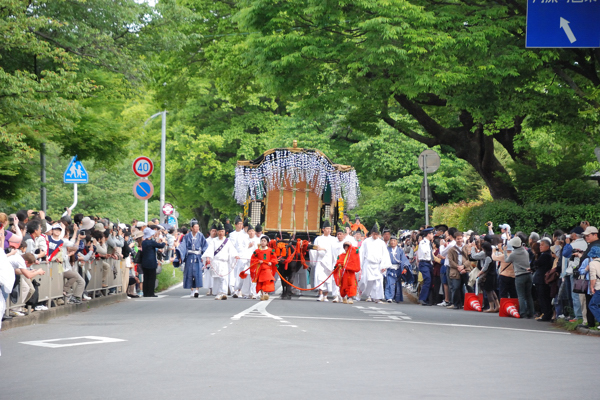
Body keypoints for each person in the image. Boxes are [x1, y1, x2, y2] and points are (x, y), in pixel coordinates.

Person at [202, 222, 239, 300]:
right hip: (216, 262)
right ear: (217, 232)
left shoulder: (227, 241)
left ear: (224, 232)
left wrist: (235, 255)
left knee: (224, 278)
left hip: (224, 263)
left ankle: (223, 293)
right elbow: (209, 250)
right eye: (219, 231)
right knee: (217, 278)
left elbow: (232, 250)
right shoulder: (214, 241)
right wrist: (208, 258)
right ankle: (218, 293)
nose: (220, 233)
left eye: (222, 231)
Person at [358, 223, 391, 303]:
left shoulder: (381, 243)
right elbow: (362, 253)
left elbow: (385, 254)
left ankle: (377, 298)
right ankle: (368, 296)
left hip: (378, 265)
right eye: (373, 234)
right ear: (371, 233)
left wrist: (384, 266)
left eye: (376, 234)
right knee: (367, 281)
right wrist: (360, 265)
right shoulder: (366, 241)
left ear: (378, 234)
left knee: (378, 281)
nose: (375, 236)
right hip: (368, 264)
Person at [177, 220, 208, 298]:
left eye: (198, 227)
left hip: (198, 256)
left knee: (198, 273)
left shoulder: (201, 236)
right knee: (190, 274)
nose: (197, 228)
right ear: (191, 228)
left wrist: (204, 256)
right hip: (190, 256)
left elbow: (205, 246)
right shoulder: (187, 236)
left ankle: (197, 290)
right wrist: (180, 255)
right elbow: (183, 246)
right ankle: (192, 290)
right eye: (195, 227)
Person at [311, 220, 337, 302]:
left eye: (330, 229)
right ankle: (320, 294)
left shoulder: (333, 239)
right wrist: (319, 249)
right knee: (320, 278)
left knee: (328, 278)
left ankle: (326, 295)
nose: (329, 230)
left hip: (329, 261)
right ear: (323, 229)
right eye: (327, 229)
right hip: (320, 261)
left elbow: (335, 251)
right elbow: (314, 248)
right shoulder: (318, 238)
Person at [249, 235, 278, 300]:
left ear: (267, 243)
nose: (263, 242)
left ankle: (266, 293)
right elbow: (253, 259)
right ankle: (262, 294)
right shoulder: (256, 251)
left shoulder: (271, 250)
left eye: (264, 241)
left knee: (267, 280)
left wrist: (271, 262)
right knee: (260, 281)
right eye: (262, 241)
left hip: (267, 268)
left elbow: (274, 259)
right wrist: (258, 261)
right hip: (260, 268)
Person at [472, 241, 498, 312]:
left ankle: (491, 307)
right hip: (493, 275)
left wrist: (480, 273)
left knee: (488, 291)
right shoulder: (492, 255)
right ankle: (497, 305)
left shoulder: (488, 257)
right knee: (492, 291)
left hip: (489, 276)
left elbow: (485, 268)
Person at [141, 228, 166, 297]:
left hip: (144, 262)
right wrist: (163, 241)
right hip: (151, 262)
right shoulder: (151, 242)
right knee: (152, 278)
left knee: (146, 278)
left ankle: (145, 293)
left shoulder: (144, 242)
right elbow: (161, 245)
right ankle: (151, 293)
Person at [535, 237, 554, 322]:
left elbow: (536, 263)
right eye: (540, 245)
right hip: (541, 278)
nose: (540, 247)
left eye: (542, 245)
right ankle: (545, 313)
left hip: (543, 279)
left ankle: (546, 314)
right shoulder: (543, 255)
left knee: (544, 297)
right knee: (542, 297)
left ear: (547, 246)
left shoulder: (546, 255)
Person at [386, 235, 410, 303]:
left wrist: (405, 267)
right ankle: (389, 297)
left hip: (398, 269)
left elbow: (404, 259)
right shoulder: (387, 249)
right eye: (391, 241)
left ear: (396, 242)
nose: (393, 242)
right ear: (390, 242)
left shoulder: (400, 250)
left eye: (394, 241)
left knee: (397, 284)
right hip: (390, 268)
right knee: (389, 283)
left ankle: (397, 297)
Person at [416, 227, 434, 306]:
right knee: (427, 280)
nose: (433, 235)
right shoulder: (423, 242)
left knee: (430, 281)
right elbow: (424, 252)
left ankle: (428, 298)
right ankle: (422, 298)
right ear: (428, 234)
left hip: (429, 263)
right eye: (432, 234)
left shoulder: (429, 243)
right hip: (424, 262)